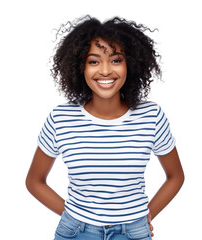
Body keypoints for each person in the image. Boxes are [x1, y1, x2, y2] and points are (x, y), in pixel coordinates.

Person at [26, 16, 184, 240]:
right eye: (94, 61)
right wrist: (74, 217)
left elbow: (175, 176)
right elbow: (34, 181)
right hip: (75, 233)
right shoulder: (61, 118)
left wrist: (146, 217)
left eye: (116, 60)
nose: (106, 70)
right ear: (80, 67)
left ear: (130, 63)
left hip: (133, 232)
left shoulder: (151, 116)